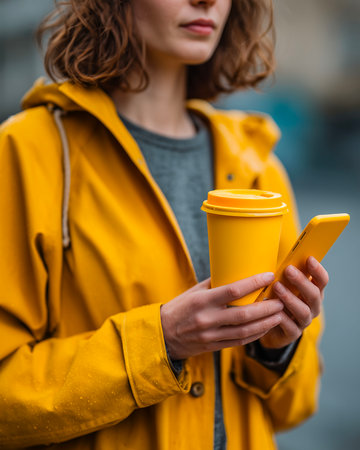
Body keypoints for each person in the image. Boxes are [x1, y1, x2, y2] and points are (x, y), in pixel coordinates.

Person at [0, 0, 329, 449]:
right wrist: (161, 342)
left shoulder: (258, 167)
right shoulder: (27, 151)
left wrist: (277, 349)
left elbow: (297, 406)